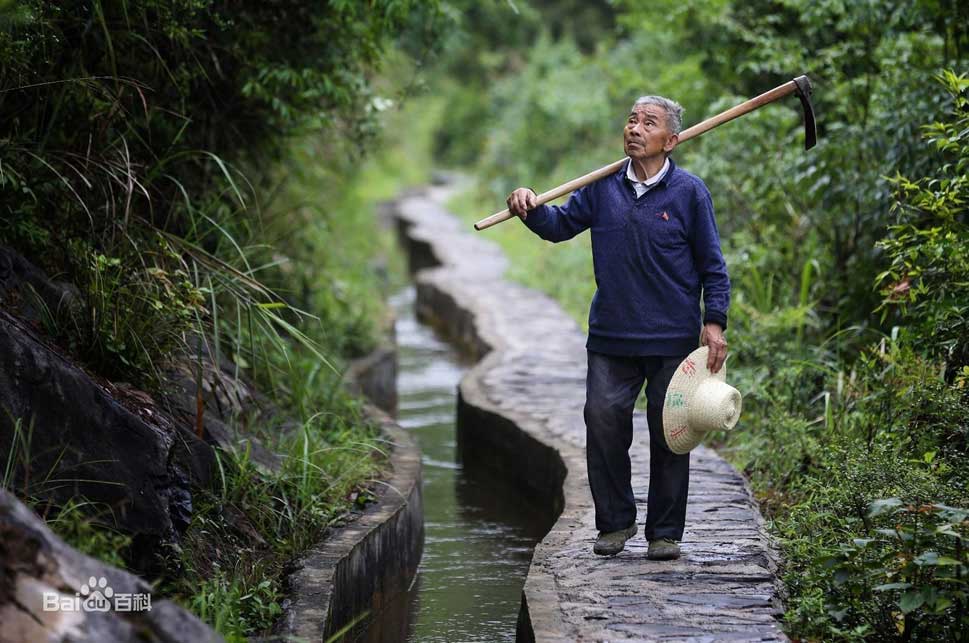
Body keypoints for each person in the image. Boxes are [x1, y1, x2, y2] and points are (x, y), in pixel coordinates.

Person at [505, 95, 730, 560]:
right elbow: (559, 225)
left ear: (670, 141)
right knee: (602, 421)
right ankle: (615, 522)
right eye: (632, 120)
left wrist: (714, 323)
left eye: (649, 123)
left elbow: (713, 266)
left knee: (671, 434)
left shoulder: (690, 193)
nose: (635, 128)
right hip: (612, 336)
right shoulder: (602, 188)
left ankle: (664, 533)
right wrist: (529, 206)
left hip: (672, 338)